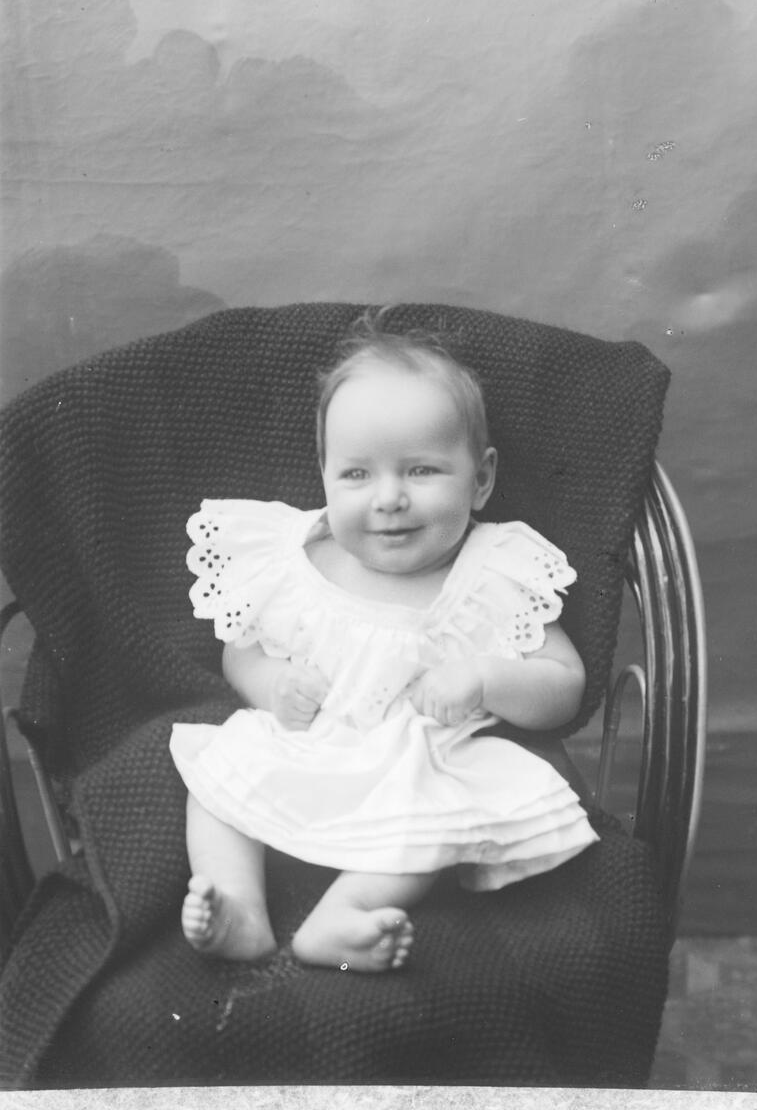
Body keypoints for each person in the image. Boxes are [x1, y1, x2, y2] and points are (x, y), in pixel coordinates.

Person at [169, 312, 598, 973]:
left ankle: (345, 913)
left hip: (417, 760)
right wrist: (271, 686)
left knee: (430, 820)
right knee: (219, 774)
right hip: (309, 744)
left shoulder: (492, 574)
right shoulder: (297, 560)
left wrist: (486, 679)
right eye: (356, 475)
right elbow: (241, 648)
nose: (389, 498)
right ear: (324, 474)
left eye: (421, 470)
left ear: (481, 478)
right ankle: (238, 905)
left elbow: (563, 682)